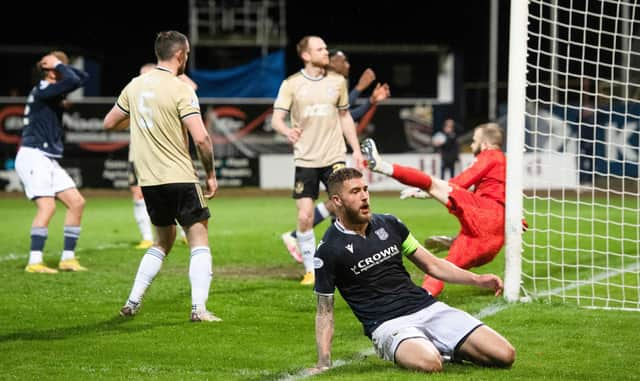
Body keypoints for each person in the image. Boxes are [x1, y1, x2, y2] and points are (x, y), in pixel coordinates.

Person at [309, 167, 515, 375]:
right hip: (387, 324)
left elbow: (432, 265)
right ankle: (434, 348)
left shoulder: (390, 224)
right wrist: (323, 362)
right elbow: (325, 311)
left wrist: (479, 280)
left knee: (505, 355)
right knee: (430, 364)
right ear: (337, 201)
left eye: (365, 189)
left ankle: (441, 346)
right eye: (355, 192)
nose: (364, 197)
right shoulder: (328, 250)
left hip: (426, 307)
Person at [104, 30, 220, 322]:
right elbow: (202, 138)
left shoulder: (135, 85)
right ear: (180, 54)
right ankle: (199, 309)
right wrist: (211, 174)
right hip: (179, 175)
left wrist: (142, 124)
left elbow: (109, 123)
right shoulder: (181, 88)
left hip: (149, 180)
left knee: (162, 241)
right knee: (199, 240)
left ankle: (132, 302)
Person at [361, 123, 513, 297]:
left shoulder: (490, 154)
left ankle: (382, 166)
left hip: (486, 215)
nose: (471, 145)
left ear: (485, 144)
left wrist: (427, 191)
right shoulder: (506, 162)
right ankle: (423, 298)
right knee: (440, 269)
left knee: (432, 183)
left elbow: (460, 182)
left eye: (474, 141)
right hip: (493, 240)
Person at [279, 48, 390, 264]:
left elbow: (344, 110)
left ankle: (337, 251)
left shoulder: (336, 84)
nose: (347, 64)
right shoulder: (321, 84)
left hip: (332, 152)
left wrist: (364, 94)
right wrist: (368, 98)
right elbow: (343, 115)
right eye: (342, 60)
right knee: (341, 200)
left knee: (341, 200)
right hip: (314, 154)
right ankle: (300, 238)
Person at [271, 35, 365, 285]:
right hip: (306, 159)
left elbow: (345, 117)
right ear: (306, 55)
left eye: (325, 47)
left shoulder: (337, 82)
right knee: (304, 216)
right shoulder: (291, 84)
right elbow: (276, 119)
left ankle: (352, 261)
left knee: (347, 204)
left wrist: (355, 149)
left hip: (334, 155)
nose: (326, 52)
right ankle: (311, 268)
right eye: (320, 49)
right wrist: (286, 131)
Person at [15, 50, 89, 273]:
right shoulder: (45, 89)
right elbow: (75, 79)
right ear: (49, 71)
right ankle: (34, 262)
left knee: (77, 202)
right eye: (57, 68)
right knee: (47, 207)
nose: (61, 71)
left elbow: (82, 77)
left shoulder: (51, 89)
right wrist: (57, 65)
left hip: (44, 157)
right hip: (33, 154)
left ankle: (67, 259)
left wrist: (58, 64)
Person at [129, 63, 197, 249]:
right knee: (138, 193)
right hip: (138, 154)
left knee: (172, 192)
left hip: (165, 154)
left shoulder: (169, 91)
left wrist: (177, 74)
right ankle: (146, 237)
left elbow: (192, 88)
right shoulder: (135, 93)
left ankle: (185, 232)